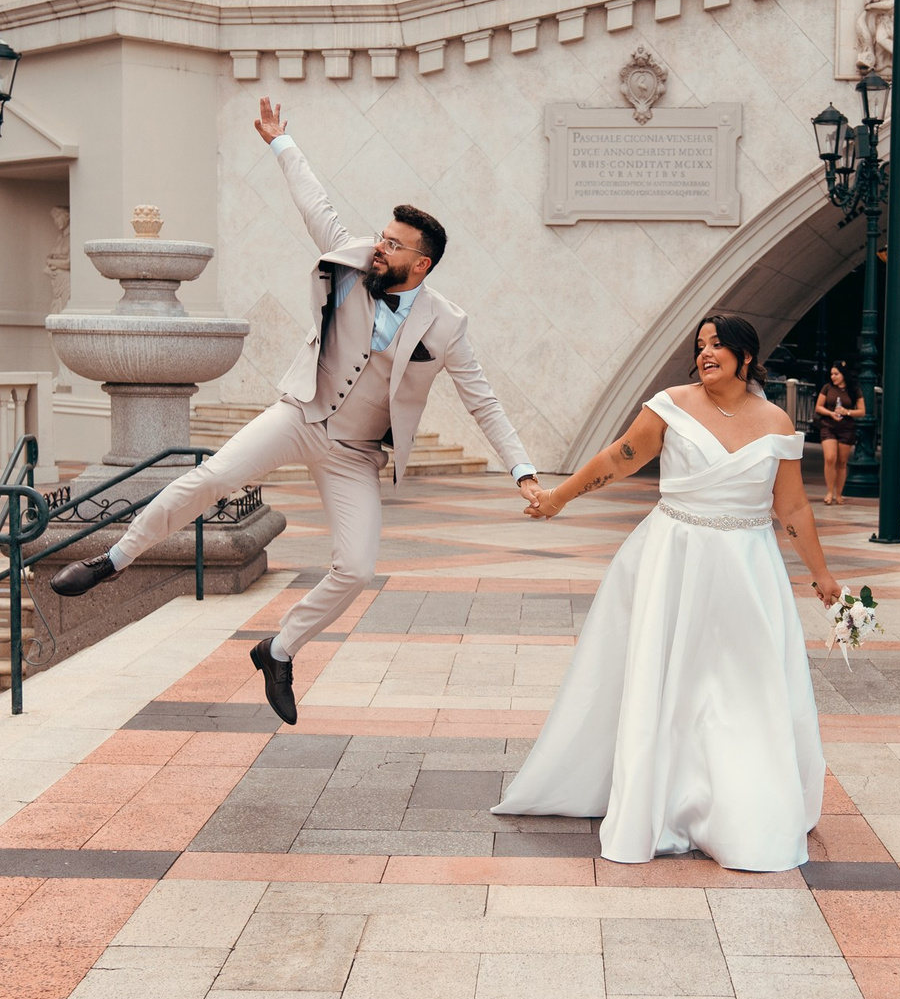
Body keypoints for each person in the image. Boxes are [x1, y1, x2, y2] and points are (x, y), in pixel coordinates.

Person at [48, 95, 543, 724]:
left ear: (420, 263)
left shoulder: (447, 325)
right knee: (214, 477)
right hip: (300, 414)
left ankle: (278, 651)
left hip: (354, 453)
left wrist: (523, 470)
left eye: (392, 245)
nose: (378, 248)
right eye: (381, 237)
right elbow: (317, 206)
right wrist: (281, 143)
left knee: (358, 568)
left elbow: (484, 401)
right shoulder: (349, 259)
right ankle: (113, 559)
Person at [494, 315, 838, 872]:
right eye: (700, 345)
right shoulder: (671, 405)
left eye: (718, 344)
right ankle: (663, 795)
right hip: (673, 556)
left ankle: (736, 805)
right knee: (670, 676)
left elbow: (792, 505)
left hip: (747, 568)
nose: (705, 353)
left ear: (746, 356)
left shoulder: (775, 421)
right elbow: (619, 457)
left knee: (739, 687)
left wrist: (822, 574)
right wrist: (559, 497)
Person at [814, 363, 860, 504]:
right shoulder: (827, 388)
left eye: (836, 374)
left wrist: (847, 412)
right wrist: (831, 413)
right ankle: (829, 492)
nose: (833, 377)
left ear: (843, 374)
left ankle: (838, 494)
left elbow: (862, 411)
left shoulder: (854, 390)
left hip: (847, 428)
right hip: (829, 426)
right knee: (830, 458)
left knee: (841, 462)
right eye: (832, 374)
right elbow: (818, 407)